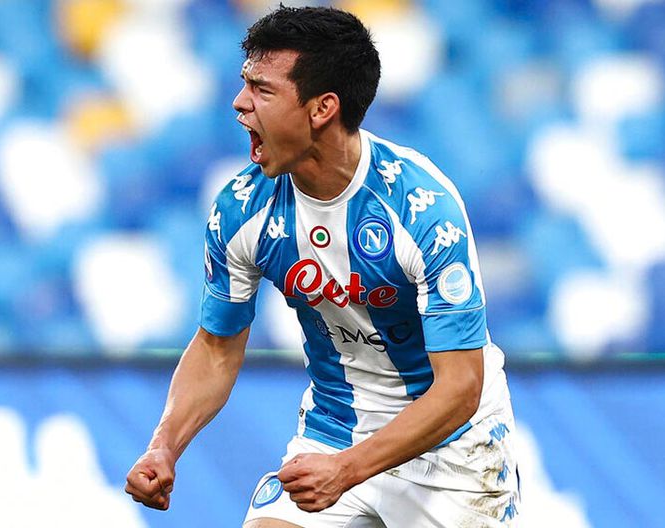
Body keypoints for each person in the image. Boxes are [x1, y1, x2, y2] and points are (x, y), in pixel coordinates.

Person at [125, 5, 520, 527]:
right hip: (335, 429)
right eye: (245, 84)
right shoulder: (241, 209)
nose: (240, 103)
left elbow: (461, 386)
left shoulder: (421, 208)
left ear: (321, 109)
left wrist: (348, 470)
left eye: (262, 90)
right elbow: (217, 348)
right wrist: (165, 446)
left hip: (451, 447)